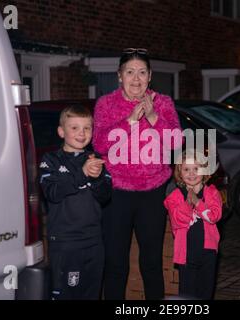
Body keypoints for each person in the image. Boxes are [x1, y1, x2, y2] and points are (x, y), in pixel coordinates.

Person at [93, 48, 182, 300]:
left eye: (142, 72)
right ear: (119, 76)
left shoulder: (163, 103)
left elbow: (176, 143)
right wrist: (130, 121)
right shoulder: (106, 104)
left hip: (152, 193)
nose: (136, 79)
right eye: (129, 72)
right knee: (116, 263)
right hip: (116, 194)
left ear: (150, 76)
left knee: (152, 262)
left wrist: (153, 117)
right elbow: (99, 143)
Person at [39, 105, 112, 300]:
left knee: (91, 294)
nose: (82, 133)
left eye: (87, 128)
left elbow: (106, 196)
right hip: (66, 243)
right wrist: (82, 174)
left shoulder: (96, 159)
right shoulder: (51, 160)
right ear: (61, 131)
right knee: (67, 295)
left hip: (94, 241)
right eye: (75, 128)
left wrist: (96, 179)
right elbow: (52, 192)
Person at [163, 151, 222, 300]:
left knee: (205, 291)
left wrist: (198, 203)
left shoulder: (212, 193)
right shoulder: (174, 196)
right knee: (187, 294)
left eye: (196, 169)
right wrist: (188, 204)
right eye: (186, 169)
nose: (191, 173)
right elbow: (178, 220)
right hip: (186, 254)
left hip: (208, 253)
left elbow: (214, 216)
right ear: (179, 172)